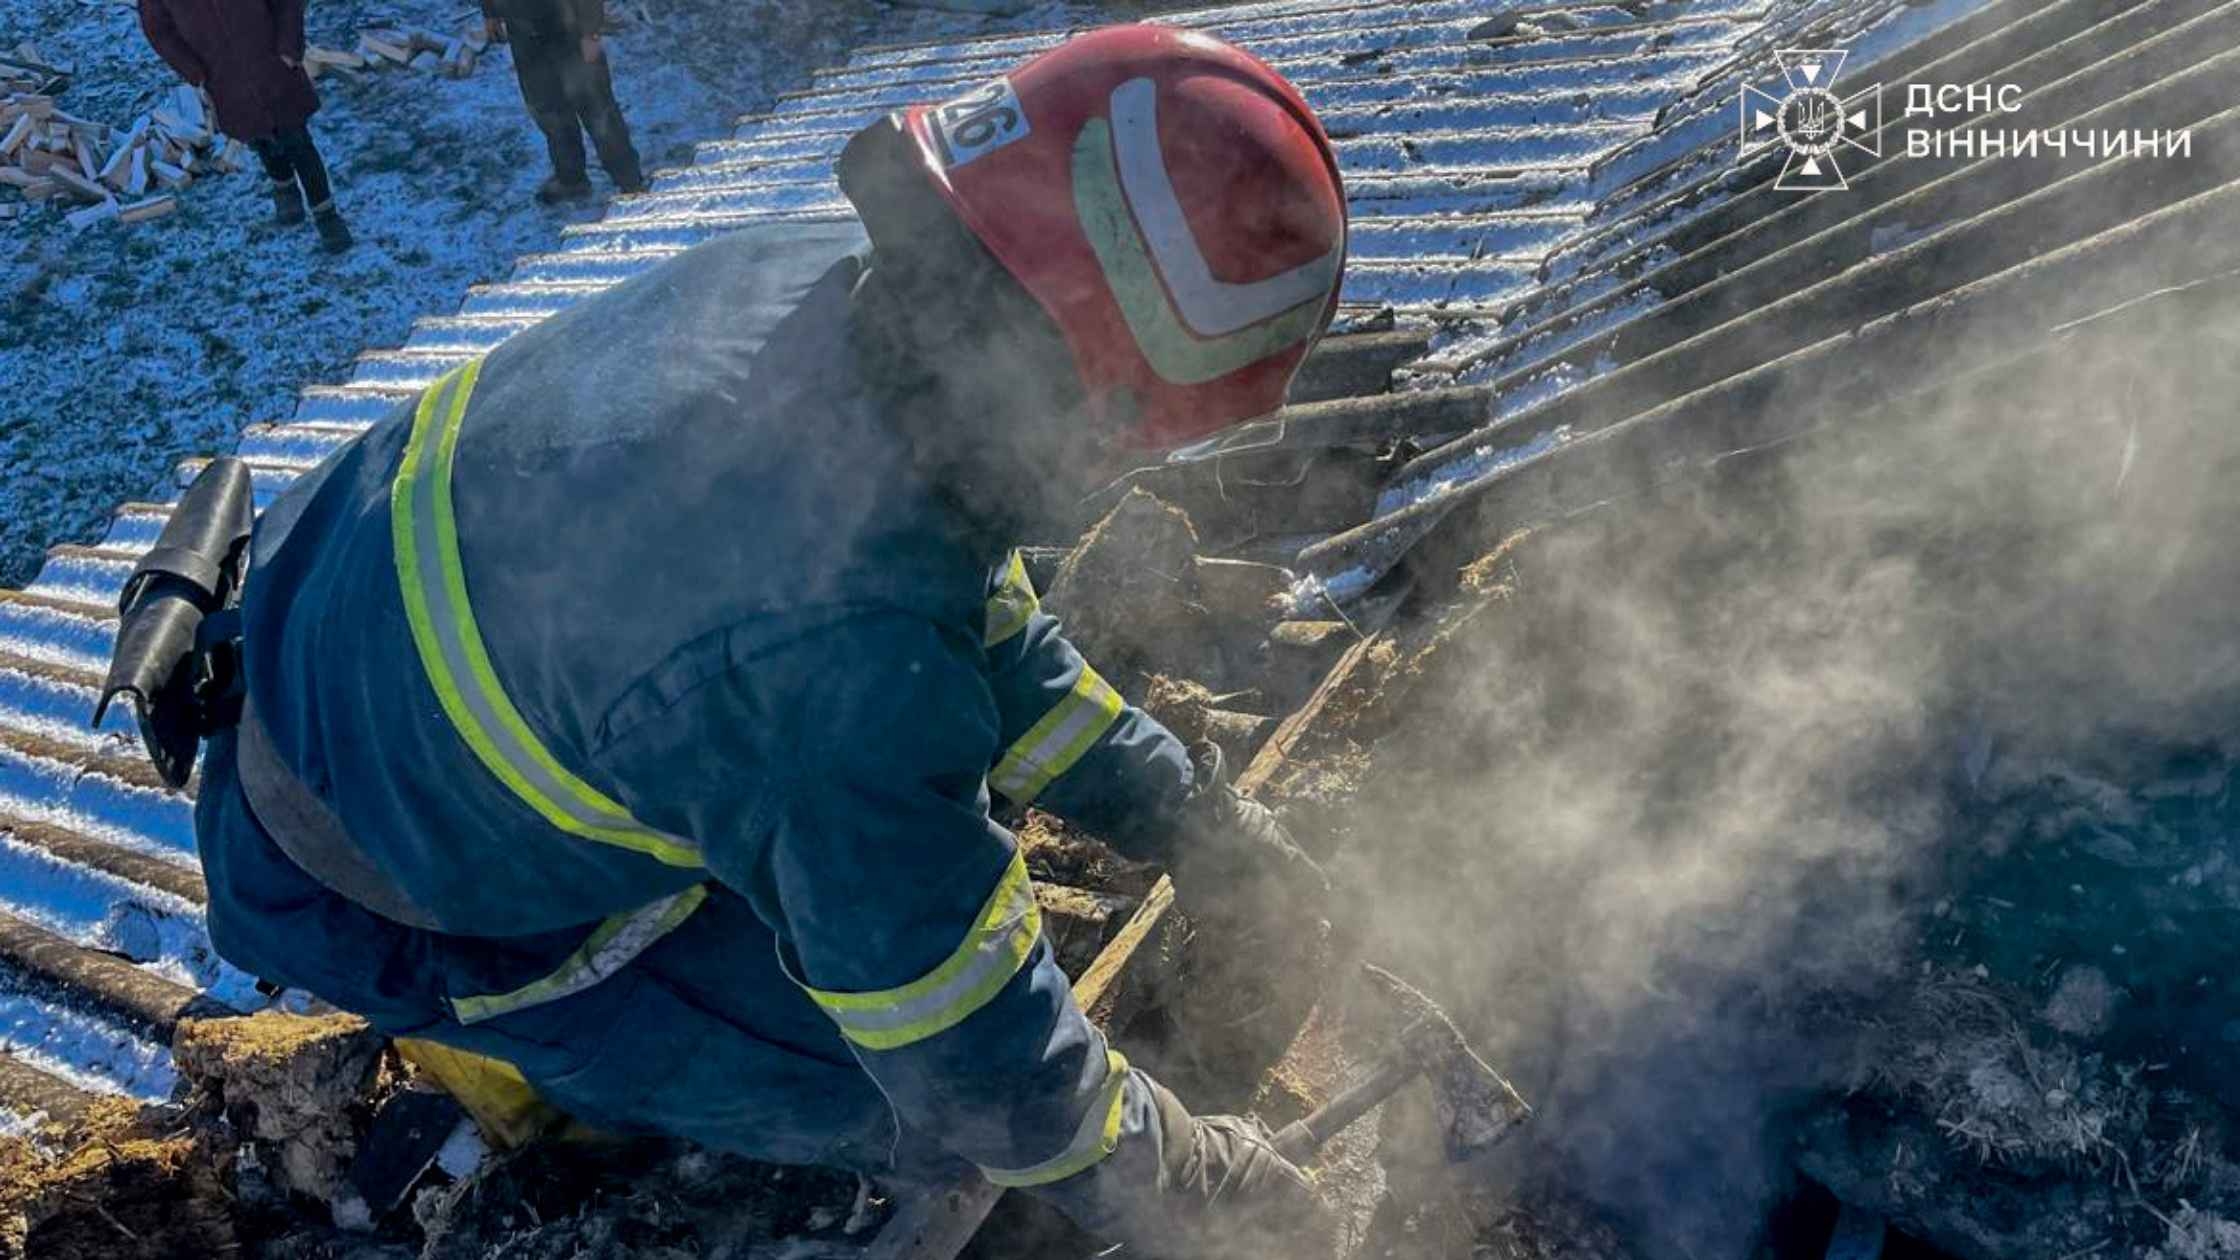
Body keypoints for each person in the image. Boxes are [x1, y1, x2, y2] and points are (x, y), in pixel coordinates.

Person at [127, 25, 1349, 1258]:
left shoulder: (844, 296)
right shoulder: (826, 661)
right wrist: (1183, 1178)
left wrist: (1187, 816)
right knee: (922, 1113)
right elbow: (973, 1059)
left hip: (327, 627)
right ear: (1105, 397)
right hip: (357, 871)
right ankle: (571, 1033)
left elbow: (969, 620)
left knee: (828, 847)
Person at [137, 0, 353, 252]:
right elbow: (158, 30)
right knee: (260, 138)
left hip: (272, 64)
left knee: (298, 140)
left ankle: (327, 217)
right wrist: (194, 70)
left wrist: (288, 46)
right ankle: (285, 190)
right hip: (224, 77)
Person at [482, 0, 645, 202]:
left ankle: (629, 181)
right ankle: (571, 179)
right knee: (548, 110)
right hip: (524, 33)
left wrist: (590, 32)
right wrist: (490, 12)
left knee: (597, 109)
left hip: (568, 28)